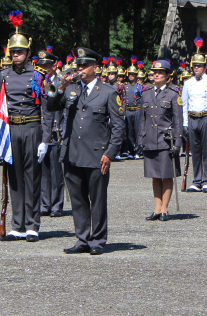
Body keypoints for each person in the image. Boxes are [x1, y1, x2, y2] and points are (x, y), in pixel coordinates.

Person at [46, 47, 125, 255]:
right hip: (72, 152)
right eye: (78, 65)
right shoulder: (71, 89)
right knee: (78, 199)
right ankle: (82, 238)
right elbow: (52, 105)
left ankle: (97, 239)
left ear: (95, 68)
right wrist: (61, 87)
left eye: (85, 65)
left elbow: (118, 127)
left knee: (97, 199)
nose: (80, 69)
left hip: (97, 155)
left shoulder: (108, 92)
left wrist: (110, 152)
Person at [0, 11, 50, 242]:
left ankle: (32, 225)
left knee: (32, 178)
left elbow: (47, 110)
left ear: (29, 53)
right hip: (11, 130)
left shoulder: (38, 76)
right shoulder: (4, 75)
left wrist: (45, 139)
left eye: (20, 52)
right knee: (15, 178)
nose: (16, 55)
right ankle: (17, 225)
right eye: (13, 52)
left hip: (32, 129)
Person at [137, 60, 182, 221]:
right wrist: (140, 138)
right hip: (150, 139)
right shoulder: (147, 93)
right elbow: (142, 119)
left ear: (168, 76)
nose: (156, 75)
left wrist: (177, 142)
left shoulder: (173, 94)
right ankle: (157, 208)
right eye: (154, 72)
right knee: (154, 175)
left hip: (165, 140)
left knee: (166, 175)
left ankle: (165, 209)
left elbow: (177, 121)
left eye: (160, 73)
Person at [181, 38, 207, 192]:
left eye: (199, 66)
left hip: (206, 117)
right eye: (194, 66)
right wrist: (185, 123)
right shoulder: (188, 83)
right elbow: (185, 103)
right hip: (192, 117)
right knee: (194, 150)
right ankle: (196, 180)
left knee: (206, 150)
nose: (196, 68)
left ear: (205, 67)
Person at [37, 48, 65, 216]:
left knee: (56, 171)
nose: (44, 68)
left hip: (55, 130)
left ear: (54, 66)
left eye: (47, 65)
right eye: (42, 65)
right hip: (41, 129)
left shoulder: (62, 81)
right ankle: (44, 203)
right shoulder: (38, 82)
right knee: (42, 170)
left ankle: (56, 204)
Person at [122, 57, 144, 160]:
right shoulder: (125, 86)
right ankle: (130, 150)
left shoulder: (139, 86)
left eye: (133, 75)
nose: (131, 76)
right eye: (130, 75)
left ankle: (138, 151)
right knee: (129, 132)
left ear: (136, 76)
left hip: (137, 110)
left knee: (137, 131)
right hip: (128, 110)